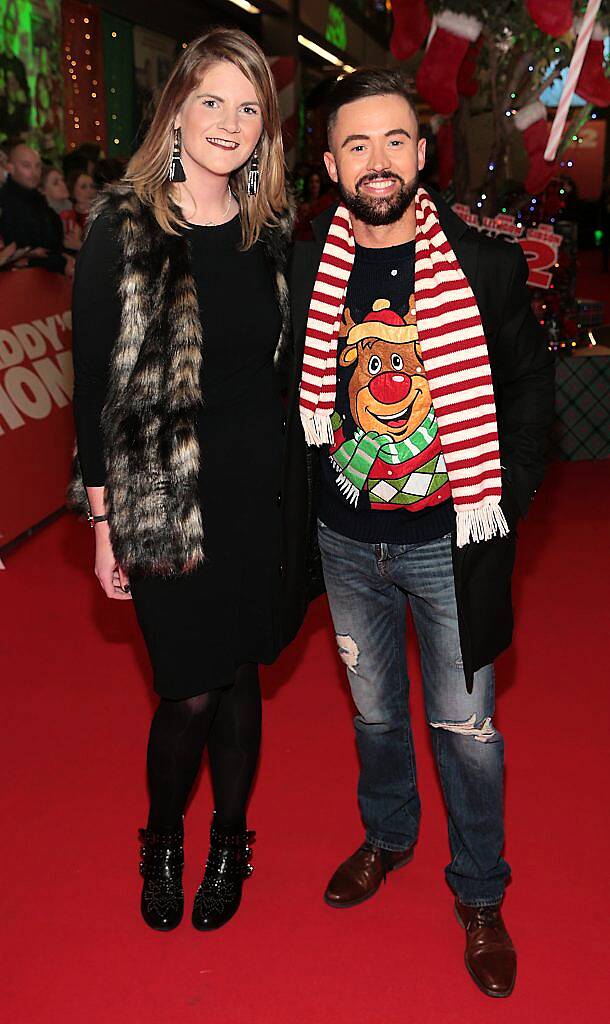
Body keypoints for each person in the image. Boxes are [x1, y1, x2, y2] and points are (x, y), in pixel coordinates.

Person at [290, 69, 554, 998]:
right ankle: (388, 838)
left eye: (393, 141)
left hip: (453, 542)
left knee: (469, 729)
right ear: (328, 162)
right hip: (345, 537)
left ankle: (480, 893)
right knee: (372, 713)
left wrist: (502, 495)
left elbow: (530, 390)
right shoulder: (307, 263)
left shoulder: (483, 265)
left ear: (422, 152)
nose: (375, 161)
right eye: (355, 145)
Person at [70, 27, 316, 935]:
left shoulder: (269, 232)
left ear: (266, 130)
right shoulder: (122, 226)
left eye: (249, 107)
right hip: (160, 501)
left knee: (241, 673)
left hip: (259, 493)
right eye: (211, 99)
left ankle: (231, 843)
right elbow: (91, 382)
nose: (230, 121)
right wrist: (103, 523)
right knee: (189, 689)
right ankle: (164, 843)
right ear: (175, 109)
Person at [0, 143, 70, 275]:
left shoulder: (38, 199)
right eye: (26, 166)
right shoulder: (6, 203)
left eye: (38, 166)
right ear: (10, 167)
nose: (34, 172)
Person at [40, 165, 82, 252]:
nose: (63, 184)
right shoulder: (45, 217)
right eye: (56, 183)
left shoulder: (72, 208)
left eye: (62, 180)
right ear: (42, 190)